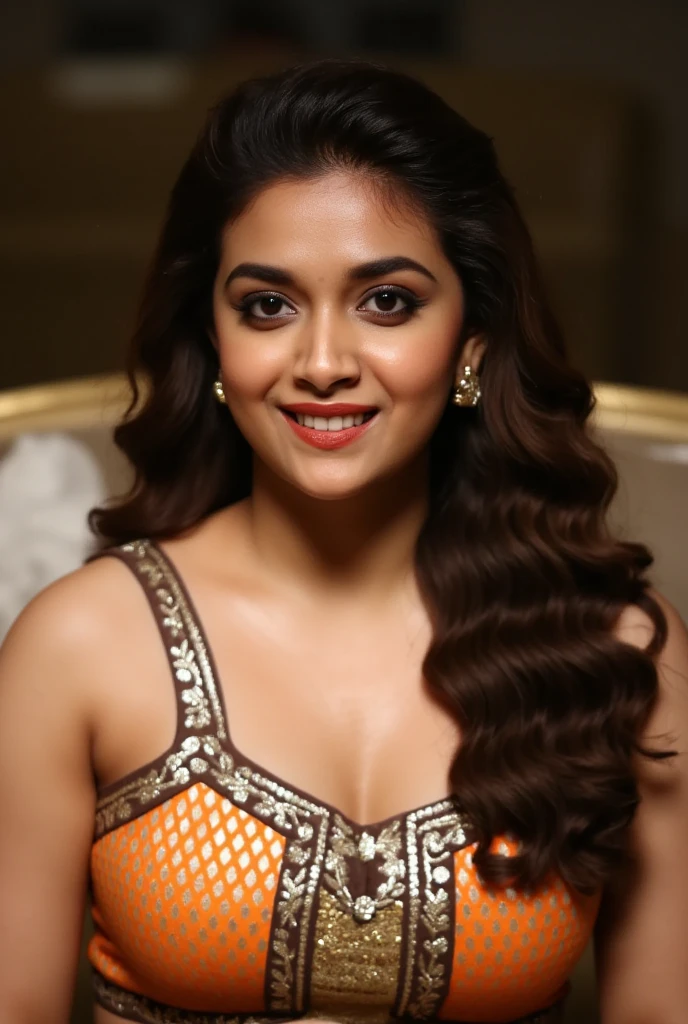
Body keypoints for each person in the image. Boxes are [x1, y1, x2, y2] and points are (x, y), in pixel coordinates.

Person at [0, 58, 686, 1024]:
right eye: (268, 305)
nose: (323, 363)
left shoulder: (617, 656)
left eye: (388, 301)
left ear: (473, 344)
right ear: (215, 343)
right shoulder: (81, 646)